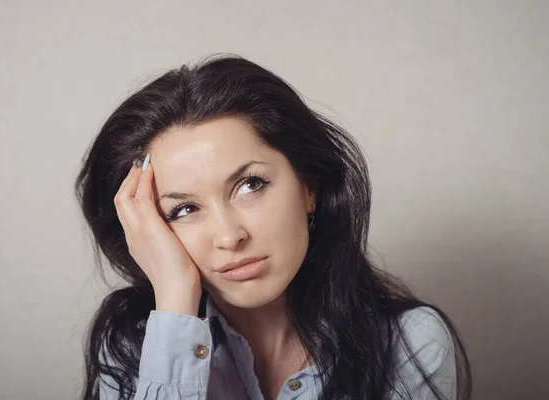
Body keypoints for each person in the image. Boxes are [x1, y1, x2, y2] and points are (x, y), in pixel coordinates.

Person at [75, 54, 472, 400]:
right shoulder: (134, 345)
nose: (230, 236)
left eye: (250, 185)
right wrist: (176, 299)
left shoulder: (410, 343)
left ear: (308, 187)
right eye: (182, 210)